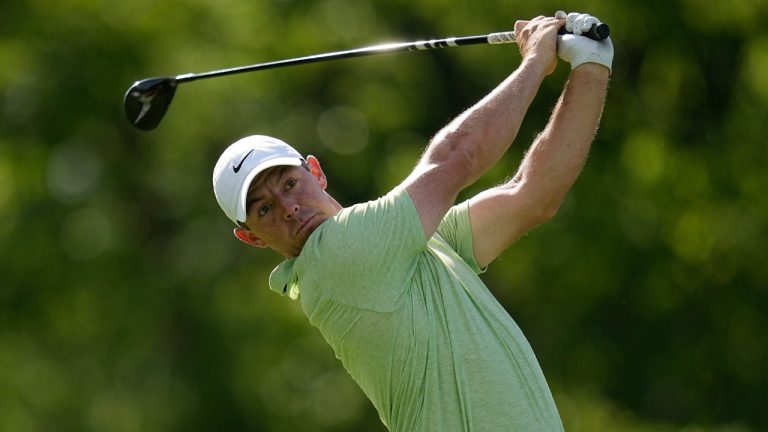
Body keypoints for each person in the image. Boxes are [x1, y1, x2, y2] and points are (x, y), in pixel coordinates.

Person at [212, 11, 612, 431]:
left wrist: (591, 65)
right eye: (264, 210)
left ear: (315, 171)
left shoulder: (412, 245)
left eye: (289, 183)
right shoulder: (335, 259)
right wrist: (534, 61)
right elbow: (458, 155)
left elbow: (532, 196)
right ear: (252, 238)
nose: (287, 208)